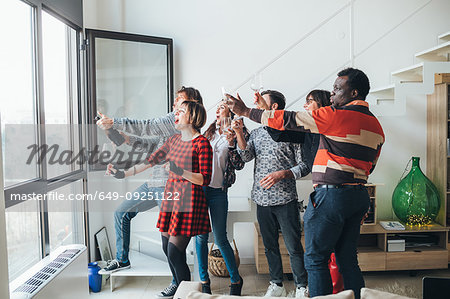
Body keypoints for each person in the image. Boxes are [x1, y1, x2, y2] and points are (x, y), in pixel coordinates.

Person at [226, 68, 385, 299]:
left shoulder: (336, 115)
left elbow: (290, 119)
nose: (333, 95)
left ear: (354, 92)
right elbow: (371, 166)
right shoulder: (376, 126)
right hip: (359, 197)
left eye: (338, 89)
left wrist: (246, 111)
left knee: (315, 259)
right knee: (348, 259)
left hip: (331, 198)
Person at [96, 86, 204, 298]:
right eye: (175, 102)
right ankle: (122, 259)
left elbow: (148, 126)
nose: (174, 106)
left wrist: (114, 123)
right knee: (121, 212)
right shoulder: (172, 128)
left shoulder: (179, 125)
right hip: (153, 184)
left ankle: (180, 286)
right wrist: (125, 142)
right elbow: (151, 147)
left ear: (191, 105)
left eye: (179, 102)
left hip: (170, 189)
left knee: (171, 247)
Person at [233, 90, 310, 298]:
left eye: (261, 103)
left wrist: (283, 174)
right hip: (261, 198)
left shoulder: (291, 132)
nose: (256, 107)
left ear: (274, 107)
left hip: (286, 199)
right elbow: (246, 155)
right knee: (270, 247)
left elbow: (305, 166)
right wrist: (240, 132)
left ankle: (302, 286)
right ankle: (277, 284)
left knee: (293, 246)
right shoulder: (257, 133)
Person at [196, 100, 249, 295]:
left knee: (220, 238)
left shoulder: (238, 131)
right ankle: (204, 280)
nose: (218, 108)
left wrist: (232, 143)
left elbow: (240, 163)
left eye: (222, 106)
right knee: (201, 237)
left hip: (219, 192)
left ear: (231, 111)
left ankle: (236, 280)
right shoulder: (207, 132)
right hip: (201, 190)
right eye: (217, 107)